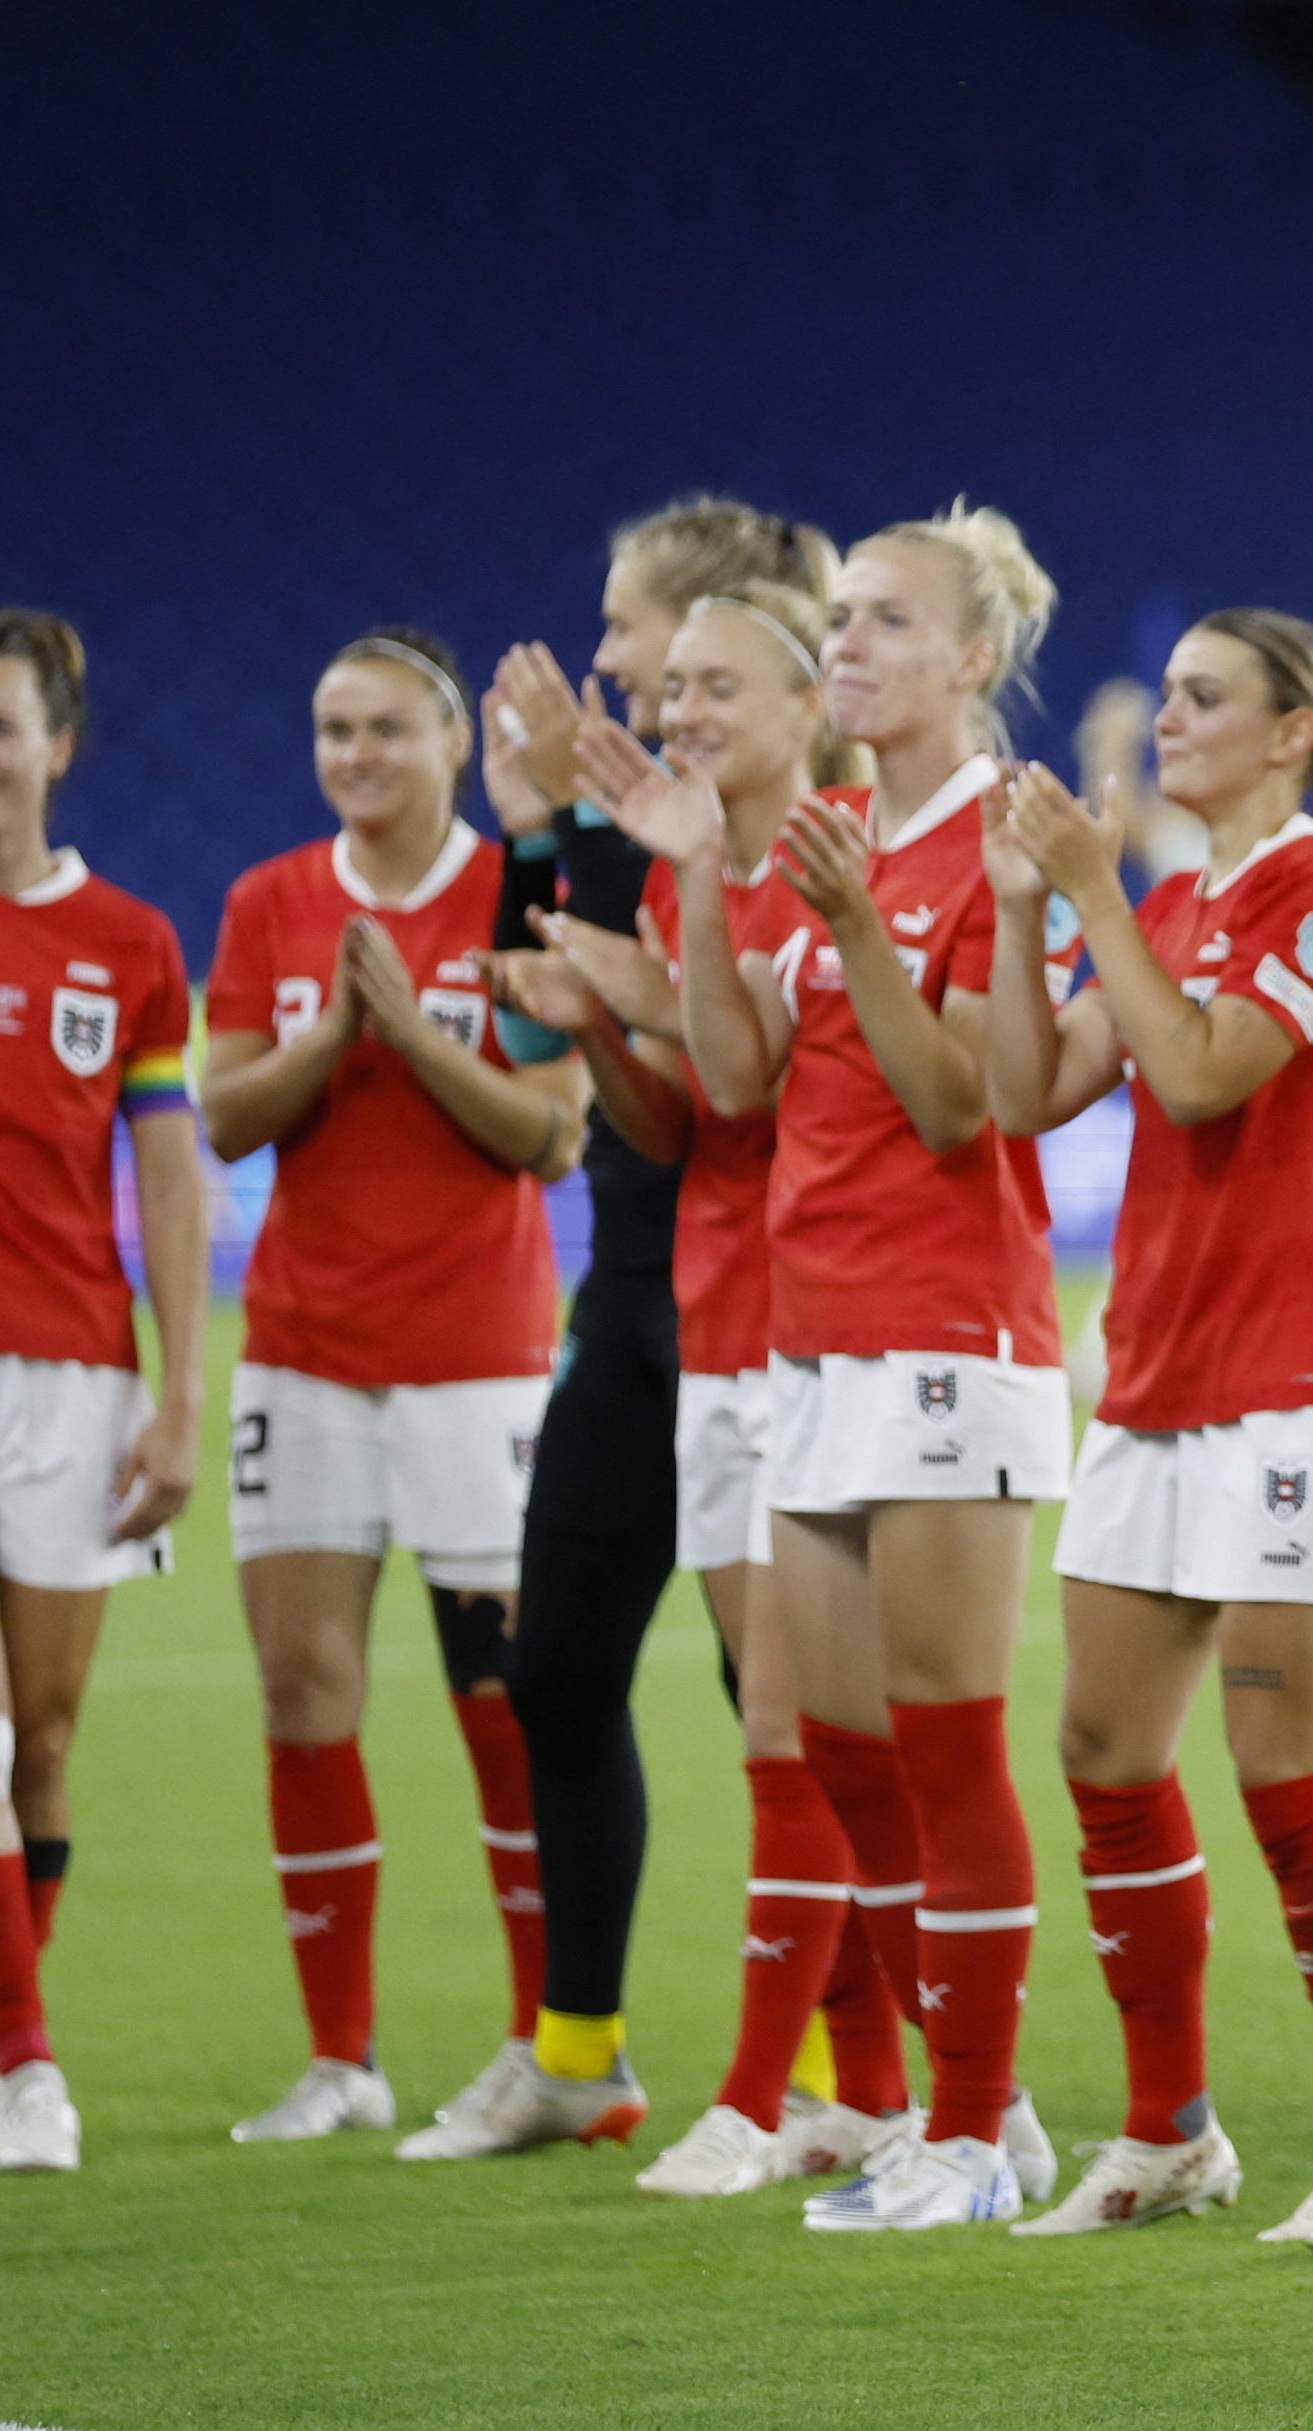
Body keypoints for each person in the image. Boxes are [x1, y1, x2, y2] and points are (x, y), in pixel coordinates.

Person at [582, 504, 1070, 2233]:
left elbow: (971, 1107)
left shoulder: (1012, 843)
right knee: (845, 1749)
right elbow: (730, 1080)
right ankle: (976, 2115)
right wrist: (702, 867)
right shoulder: (831, 830)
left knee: (943, 1744)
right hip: (816, 1336)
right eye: (843, 616)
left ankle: (969, 2122)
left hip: (953, 1329)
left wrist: (858, 921)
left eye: (880, 623)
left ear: (972, 660)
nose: (845, 643)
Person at [986, 608, 1313, 2242]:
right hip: (1160, 1377)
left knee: (1281, 1770)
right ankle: (1169, 2129)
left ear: (1295, 735)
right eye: (1167, 694)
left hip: (1299, 1382)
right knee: (1106, 1757)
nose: (1168, 718)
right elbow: (1025, 1091)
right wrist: (1035, 900)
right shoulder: (1173, 900)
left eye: (1203, 696)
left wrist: (1100, 896)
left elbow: (1192, 1077)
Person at [406, 499, 848, 2160]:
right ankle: (580, 2048)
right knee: (560, 1672)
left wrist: (568, 831)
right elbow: (553, 973)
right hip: (641, 1277)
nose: (607, 666)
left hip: (769, 1296)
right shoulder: (657, 824)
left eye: (633, 637)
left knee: (805, 1716)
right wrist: (543, 836)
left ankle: (837, 2074)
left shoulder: (788, 829)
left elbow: (694, 1012)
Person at [481, 582, 912, 2196]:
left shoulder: (834, 851)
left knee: (819, 1729)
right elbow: (672, 1127)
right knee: (799, 1735)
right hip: (723, 1316)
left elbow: (758, 1070)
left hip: (837, 1321)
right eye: (673, 694)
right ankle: (863, 2083)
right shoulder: (693, 870)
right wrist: (601, 1009)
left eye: (714, 687)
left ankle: (777, 2089)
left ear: (811, 703)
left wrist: (655, 970)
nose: (679, 715)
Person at [201, 629, 592, 2150]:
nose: (353, 757)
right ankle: (339, 2058)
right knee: (304, 1693)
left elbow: (552, 1133)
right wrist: (336, 1035)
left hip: (475, 1357)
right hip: (304, 1350)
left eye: (383, 730)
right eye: (330, 731)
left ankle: (540, 2036)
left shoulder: (515, 895)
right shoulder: (270, 901)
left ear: (449, 744)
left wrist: (413, 1034)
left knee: (503, 1703)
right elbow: (223, 1115)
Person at [0, 611, 206, 2175]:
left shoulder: (132, 946)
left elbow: (168, 1170)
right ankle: (26, 2054)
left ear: (60, 746)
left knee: (48, 1733)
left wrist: (179, 1392)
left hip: (75, 1369)